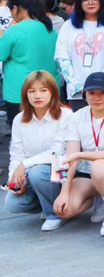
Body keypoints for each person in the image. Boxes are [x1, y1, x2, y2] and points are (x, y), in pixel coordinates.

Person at [54, 73, 104, 236]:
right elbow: (69, 158)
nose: (97, 97)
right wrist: (63, 193)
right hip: (86, 176)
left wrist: (79, 155)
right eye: (92, 93)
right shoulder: (76, 118)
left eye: (102, 92)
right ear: (84, 95)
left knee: (99, 166)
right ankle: (98, 199)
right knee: (64, 210)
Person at [4, 71, 73, 231]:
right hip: (32, 174)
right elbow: (16, 154)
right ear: (25, 94)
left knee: (37, 172)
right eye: (32, 91)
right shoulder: (19, 119)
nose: (37, 95)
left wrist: (24, 165)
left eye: (43, 90)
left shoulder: (65, 115)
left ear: (52, 92)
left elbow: (58, 152)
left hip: (62, 172)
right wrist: (15, 180)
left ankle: (55, 215)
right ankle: (48, 204)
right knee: (12, 203)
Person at [54, 0, 104, 111]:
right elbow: (62, 57)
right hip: (78, 93)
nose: (90, 3)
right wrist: (77, 86)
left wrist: (98, 86)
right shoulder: (68, 26)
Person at [0, 0, 60, 121]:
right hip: (49, 88)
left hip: (20, 91)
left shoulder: (13, 31)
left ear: (15, 8)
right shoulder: (50, 30)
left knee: (22, 128)